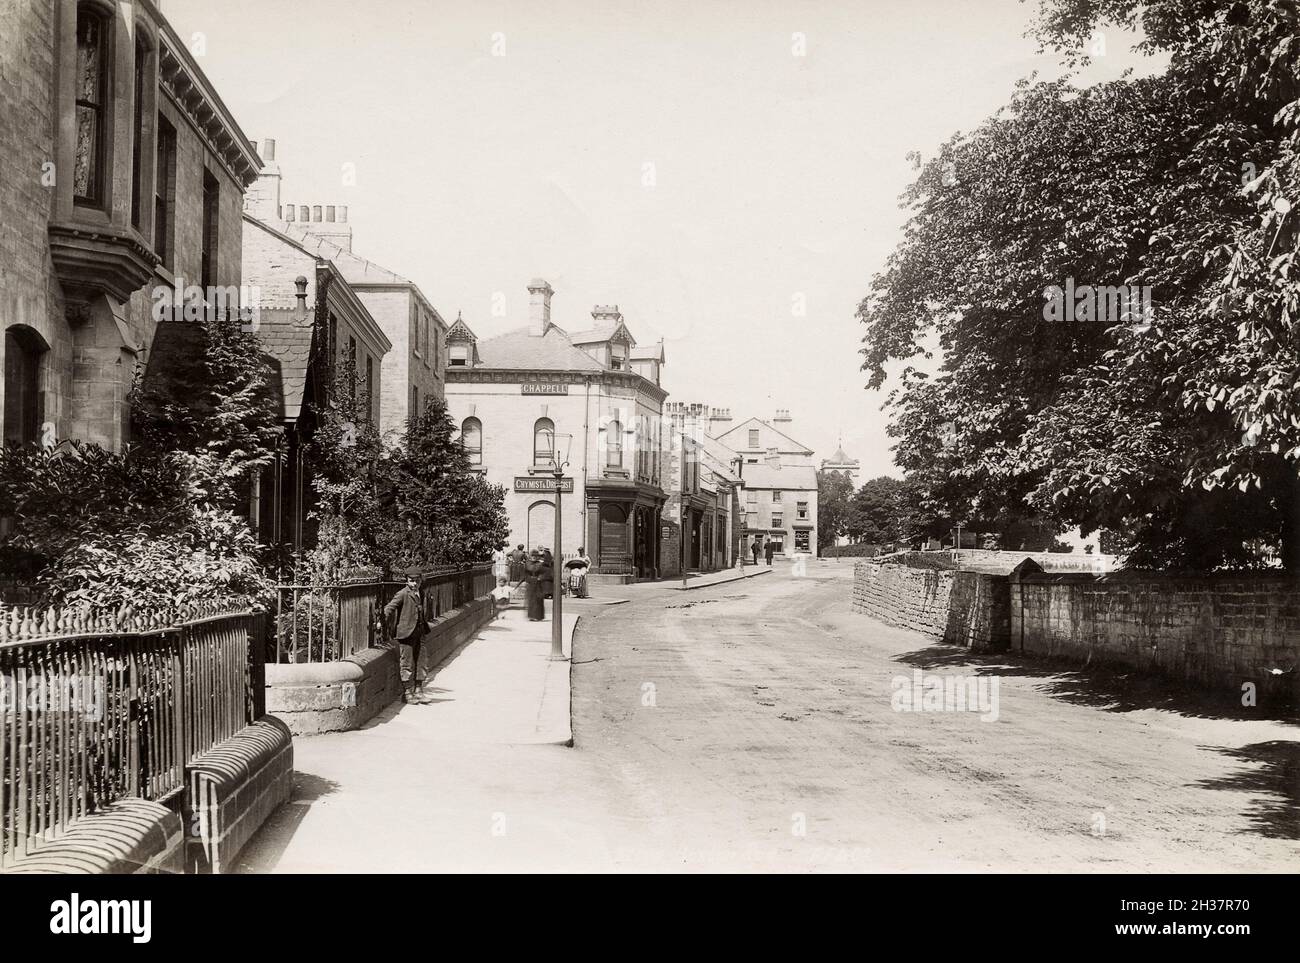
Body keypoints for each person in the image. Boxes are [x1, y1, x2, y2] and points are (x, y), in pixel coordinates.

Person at [382, 574, 427, 701]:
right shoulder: (402, 593)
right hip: (406, 634)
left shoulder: (421, 593)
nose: (414, 584)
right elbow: (390, 607)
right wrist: (381, 620)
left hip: (420, 632)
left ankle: (418, 690)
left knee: (421, 661)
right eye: (411, 581)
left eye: (417, 581)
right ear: (407, 581)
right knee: (406, 663)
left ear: (420, 581)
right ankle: (407, 693)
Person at [524, 550, 545, 621]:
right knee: (531, 599)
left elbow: (543, 573)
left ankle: (538, 616)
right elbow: (526, 573)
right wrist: (528, 579)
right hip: (530, 583)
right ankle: (531, 616)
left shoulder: (540, 564)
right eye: (533, 556)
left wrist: (540, 578)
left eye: (535, 556)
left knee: (538, 599)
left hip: (538, 583)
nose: (534, 557)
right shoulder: (527, 563)